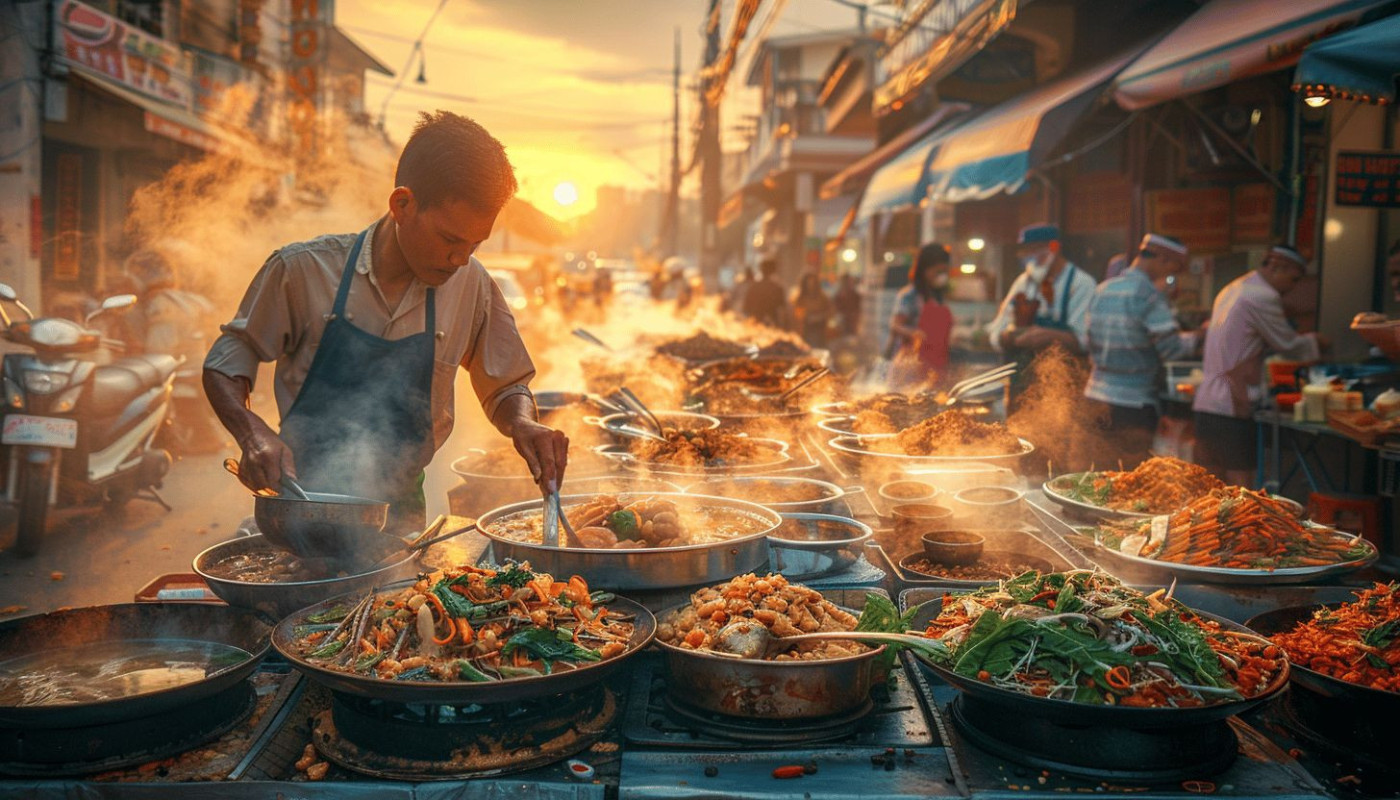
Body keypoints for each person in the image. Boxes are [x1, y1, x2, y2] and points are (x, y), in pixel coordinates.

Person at [203, 111, 567, 531]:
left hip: (401, 519)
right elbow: (228, 359)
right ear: (402, 204)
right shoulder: (304, 270)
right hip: (301, 506)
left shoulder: (471, 284)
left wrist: (522, 421)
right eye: (450, 239)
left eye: (475, 243)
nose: (461, 259)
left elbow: (505, 385)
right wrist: (252, 434)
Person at [1192, 244, 1326, 486]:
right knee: (1238, 487)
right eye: (1293, 279)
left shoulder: (1233, 288)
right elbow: (1288, 344)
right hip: (1229, 404)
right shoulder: (1263, 295)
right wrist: (1318, 342)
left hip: (1206, 402)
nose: (1292, 287)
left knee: (1208, 484)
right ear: (1276, 267)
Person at [1082, 234, 1200, 466]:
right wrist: (1200, 336)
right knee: (1129, 483)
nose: (1173, 275)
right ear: (1164, 259)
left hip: (1094, 399)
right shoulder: (1148, 295)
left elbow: (1088, 343)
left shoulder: (1102, 290)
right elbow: (1172, 350)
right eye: (1176, 268)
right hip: (1133, 406)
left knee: (1095, 478)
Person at [987, 223, 1097, 404]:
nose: (1028, 258)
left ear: (1054, 247)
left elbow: (1085, 341)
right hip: (1021, 389)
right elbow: (996, 332)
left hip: (1063, 392)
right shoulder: (1023, 283)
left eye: (1034, 251)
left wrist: (1047, 336)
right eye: (1024, 252)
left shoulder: (1081, 284)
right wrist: (1009, 336)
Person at [888, 242, 954, 386]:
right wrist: (913, 333)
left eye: (943, 272)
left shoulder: (940, 297)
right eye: (937, 272)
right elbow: (895, 325)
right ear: (924, 269)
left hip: (937, 368)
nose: (941, 276)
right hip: (909, 369)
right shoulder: (909, 296)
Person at [743, 257, 791, 329]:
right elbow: (783, 309)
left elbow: (746, 308)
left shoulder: (754, 287)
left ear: (761, 270)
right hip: (773, 326)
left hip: (756, 325)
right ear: (774, 270)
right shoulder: (777, 288)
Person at [791, 271, 834, 348]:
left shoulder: (822, 297)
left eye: (813, 283)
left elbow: (830, 311)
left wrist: (820, 316)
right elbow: (798, 315)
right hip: (806, 330)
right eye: (808, 283)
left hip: (820, 330)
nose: (811, 285)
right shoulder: (800, 298)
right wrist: (806, 317)